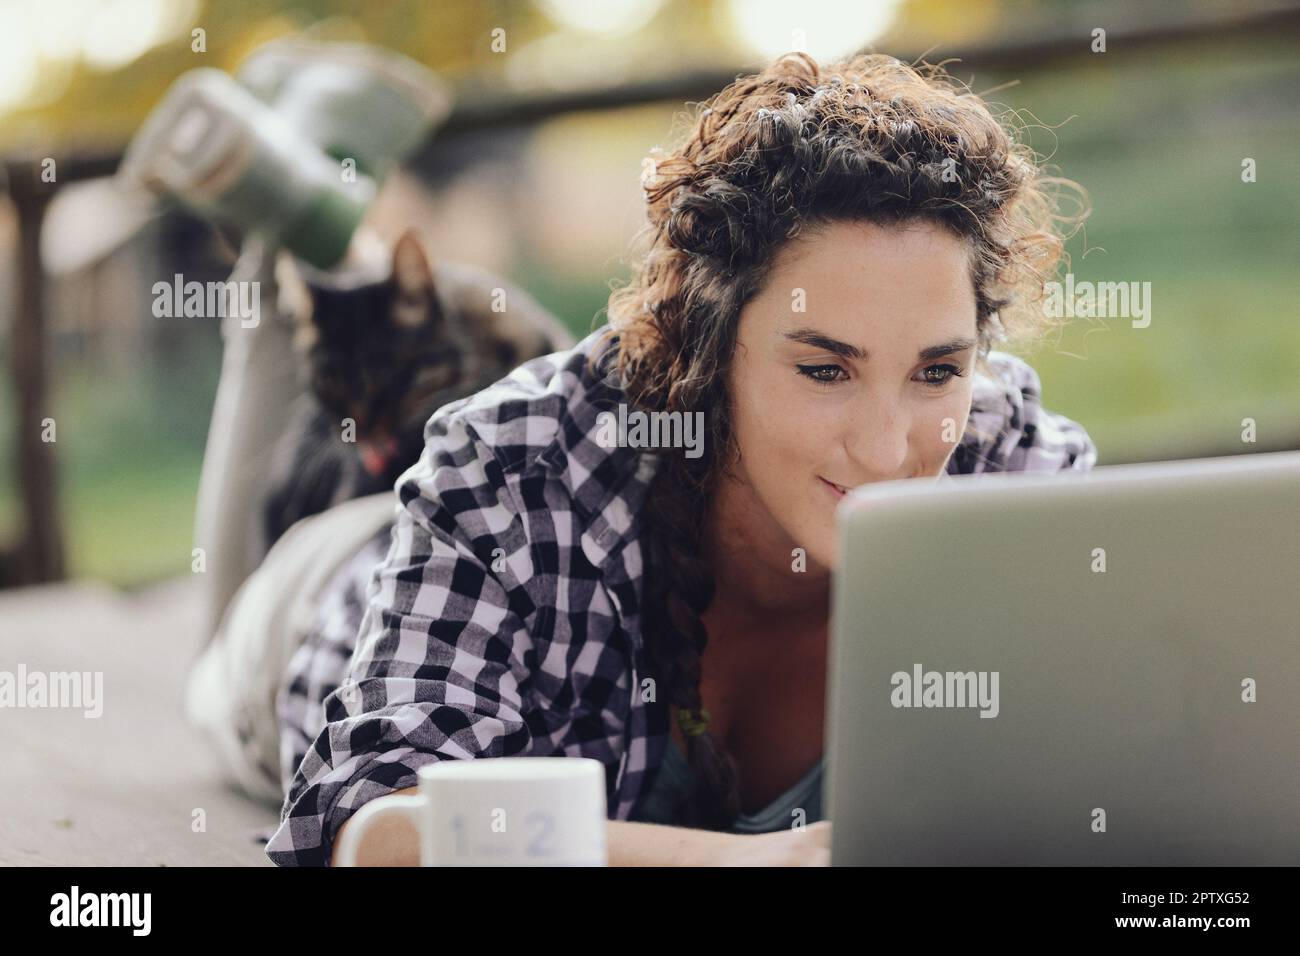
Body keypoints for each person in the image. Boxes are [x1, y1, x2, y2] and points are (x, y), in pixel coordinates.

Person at [265, 50, 1096, 866]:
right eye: (824, 369)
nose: (886, 450)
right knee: (333, 446)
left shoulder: (1014, 475)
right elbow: (373, 831)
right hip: (318, 598)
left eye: (937, 372)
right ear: (711, 341)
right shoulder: (506, 474)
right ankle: (285, 223)